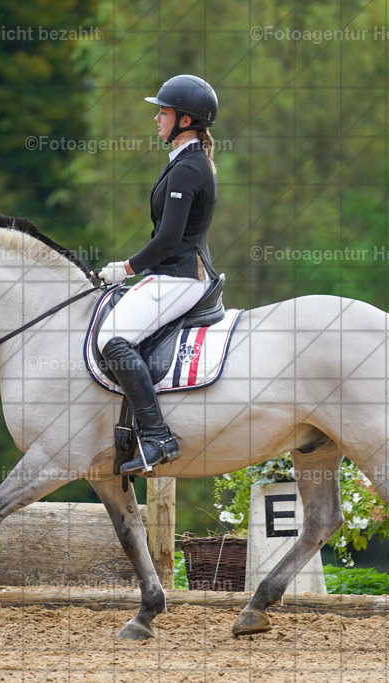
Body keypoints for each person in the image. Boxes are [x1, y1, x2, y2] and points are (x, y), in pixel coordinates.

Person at [97, 74, 220, 476]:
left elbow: (168, 240)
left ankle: (156, 436)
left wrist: (126, 267)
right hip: (172, 273)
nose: (156, 118)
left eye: (163, 112)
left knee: (111, 338)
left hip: (182, 275)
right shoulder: (185, 162)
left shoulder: (189, 169)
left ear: (185, 121)